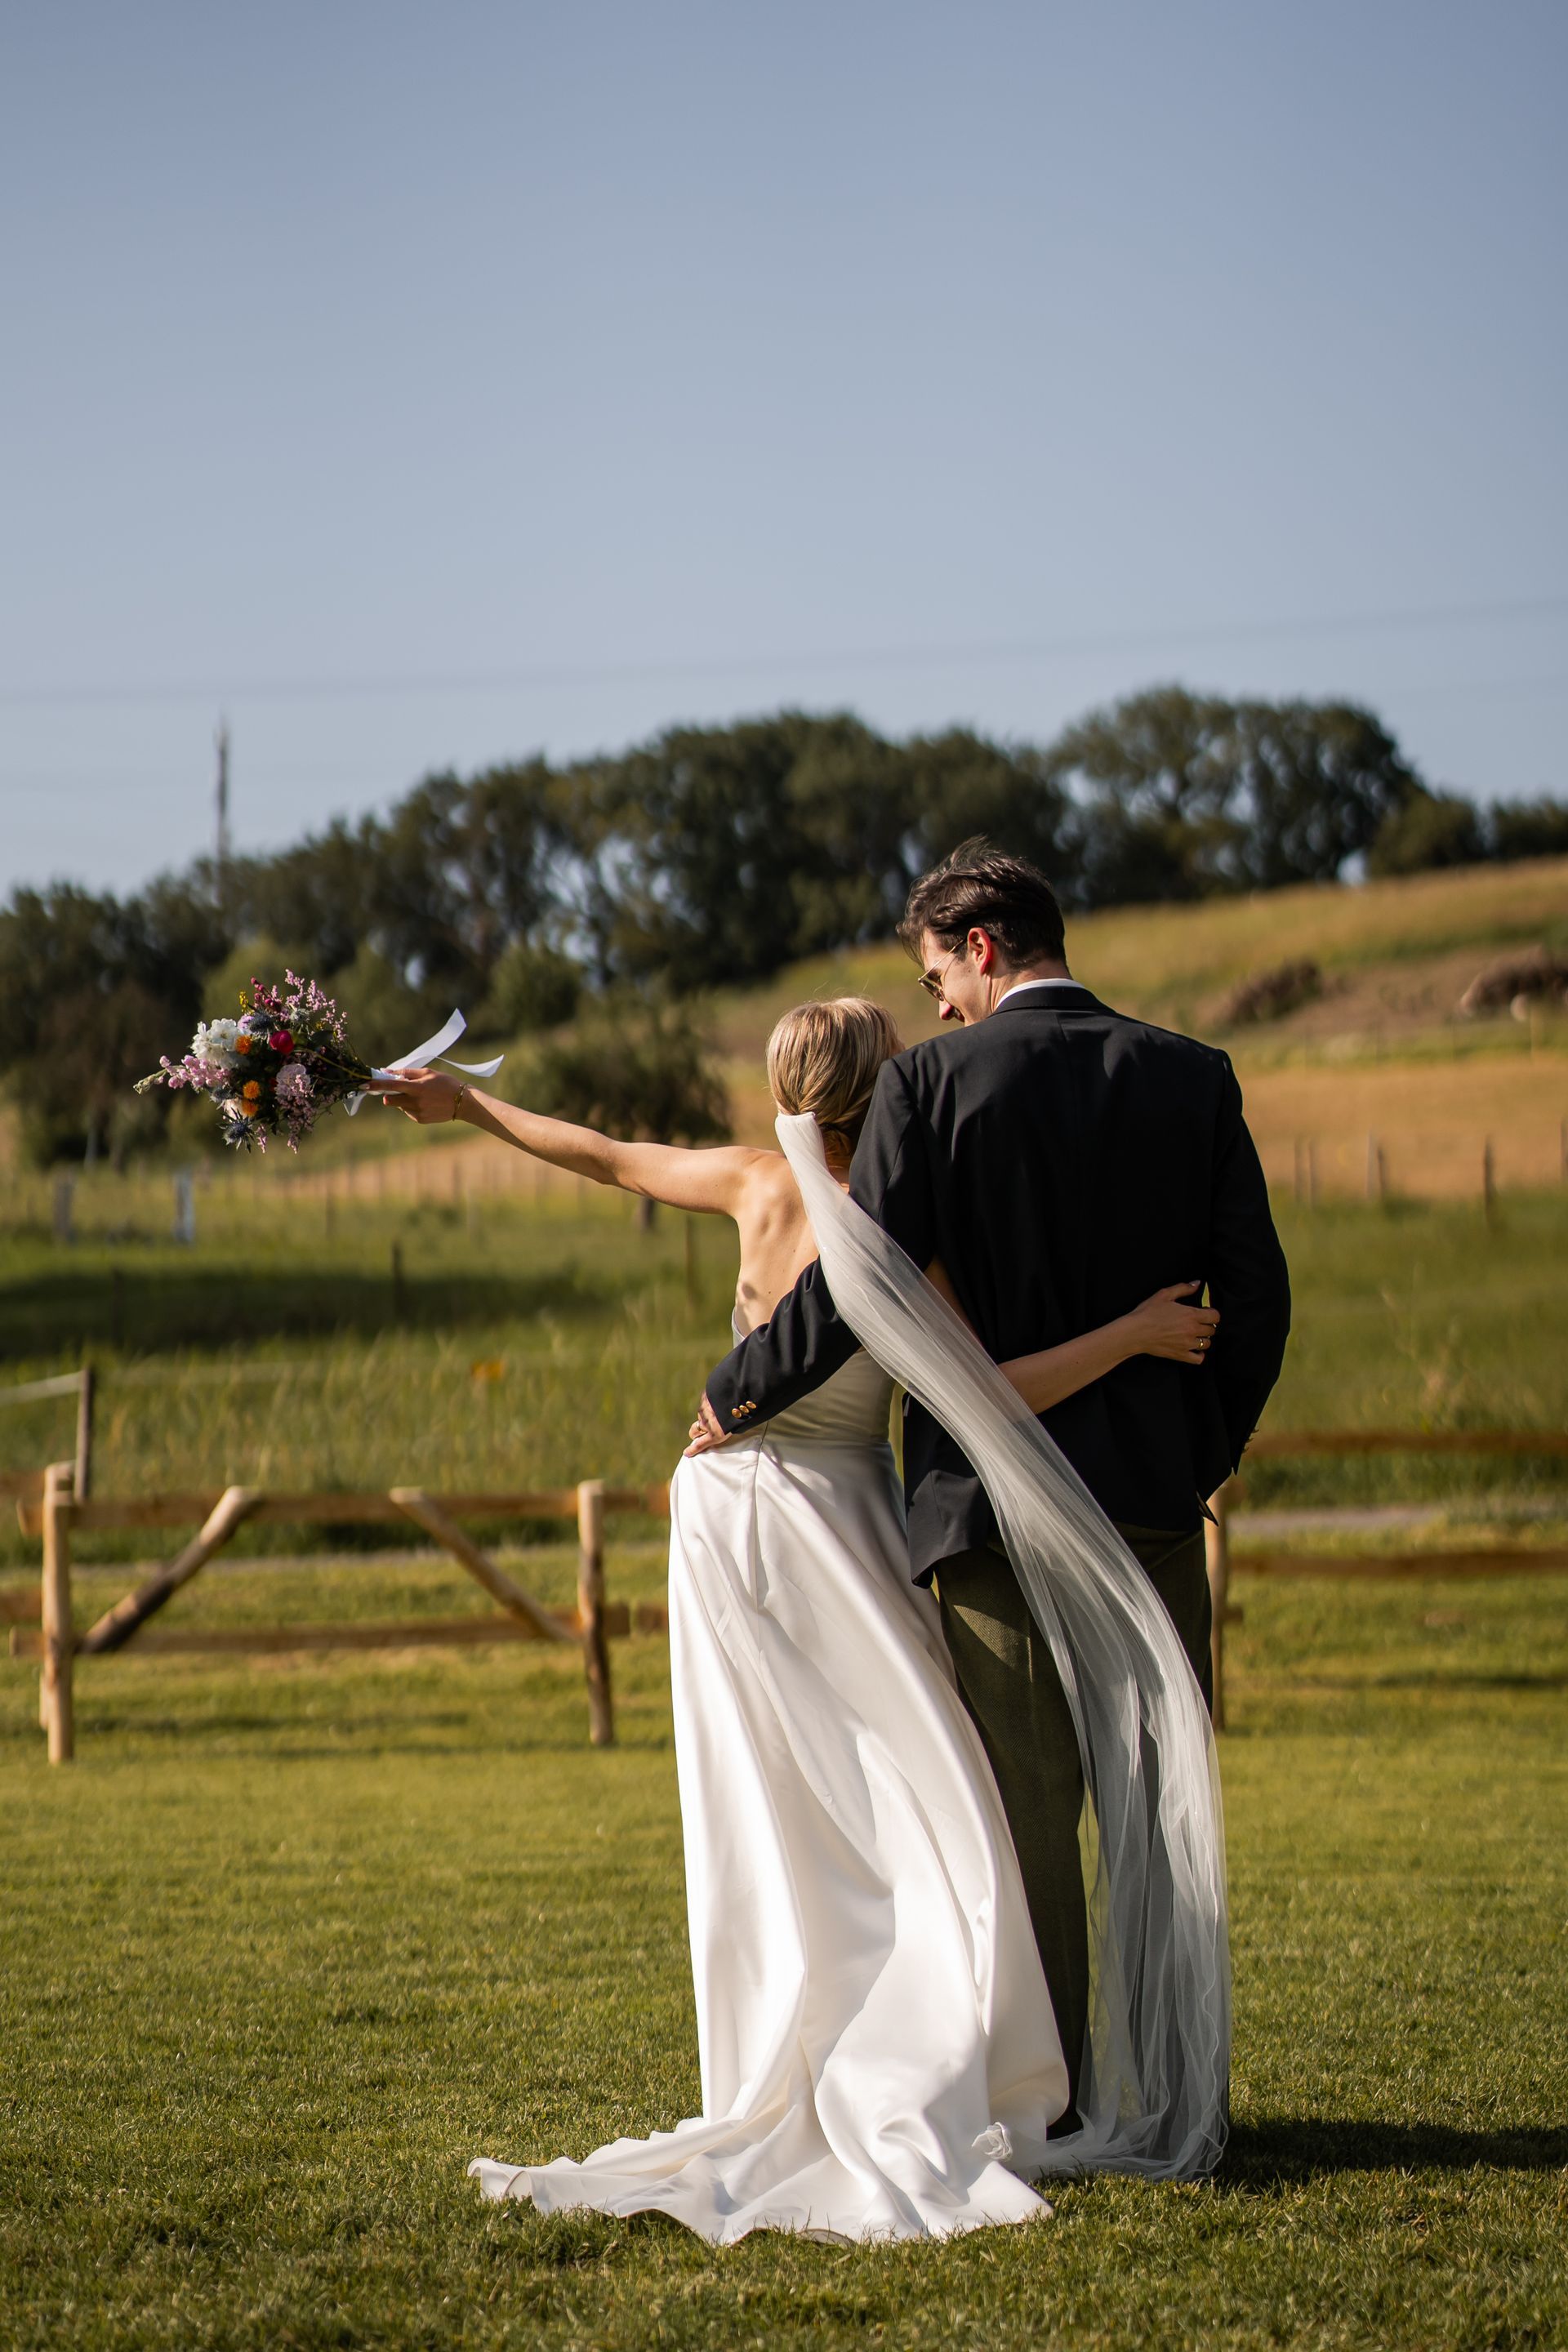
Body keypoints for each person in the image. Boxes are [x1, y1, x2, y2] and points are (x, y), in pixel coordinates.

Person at [379, 996, 1228, 2240]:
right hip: (825, 1528)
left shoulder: (750, 1183)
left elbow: (604, 1155)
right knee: (928, 1792)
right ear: (887, 1094)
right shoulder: (896, 1236)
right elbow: (993, 1393)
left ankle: (811, 2036)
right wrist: (1137, 1334)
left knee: (785, 1803)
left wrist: (465, 1106)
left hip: (729, 1518)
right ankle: (930, 2045)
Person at [692, 840, 1292, 2135]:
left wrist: (738, 1388)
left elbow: (863, 1284)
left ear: (980, 947)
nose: (938, 1007)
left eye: (937, 979)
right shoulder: (1193, 1076)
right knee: (1161, 1814)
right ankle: (1178, 2096)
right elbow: (1261, 1301)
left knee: (1029, 1821)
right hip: (1151, 1506)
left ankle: (1054, 2107)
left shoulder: (931, 1085)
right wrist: (1195, 1453)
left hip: (989, 1518)